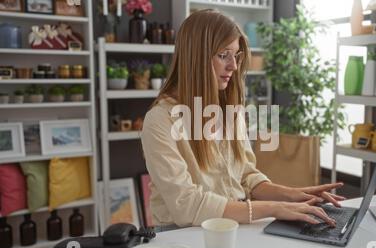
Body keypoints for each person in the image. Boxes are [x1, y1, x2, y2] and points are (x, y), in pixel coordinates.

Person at [141, 9, 345, 230]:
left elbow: (245, 176)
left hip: (231, 227)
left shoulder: (229, 112)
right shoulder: (160, 121)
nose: (233, 66)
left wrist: (292, 195)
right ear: (196, 58)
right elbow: (187, 205)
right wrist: (274, 208)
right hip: (183, 236)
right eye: (223, 55)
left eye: (236, 55)